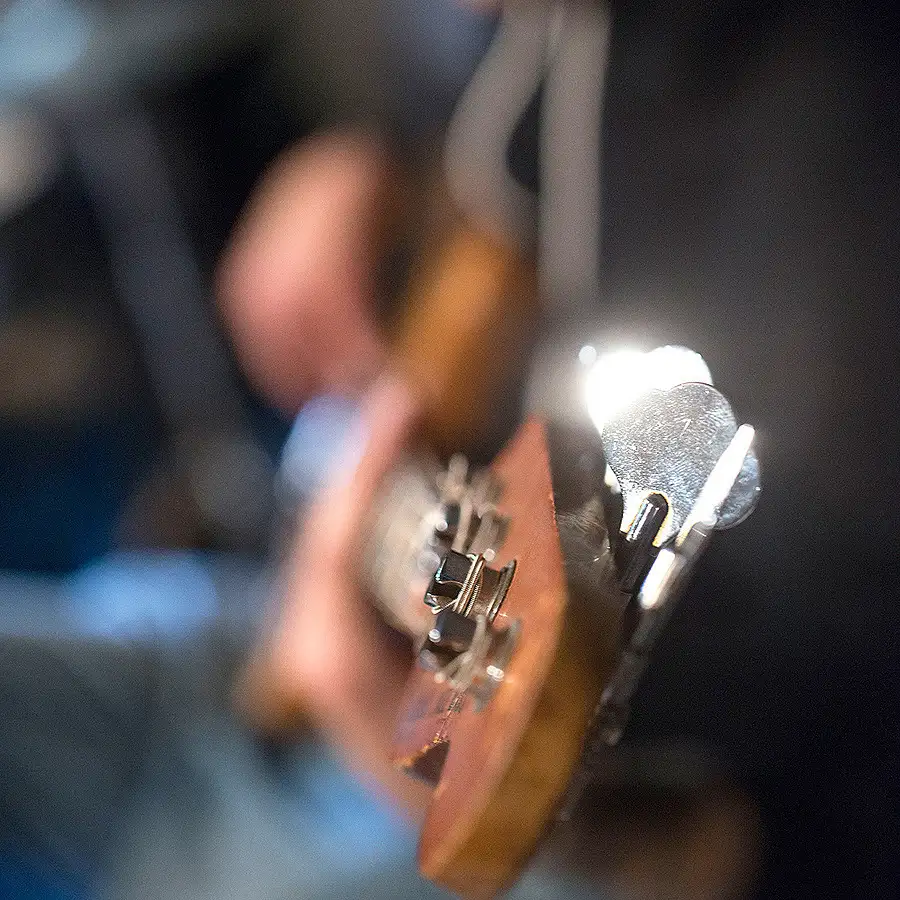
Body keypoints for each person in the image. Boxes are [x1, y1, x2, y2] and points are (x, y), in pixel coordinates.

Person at [220, 3, 900, 899]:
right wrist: (367, 159)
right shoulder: (577, 30)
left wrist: (529, 824)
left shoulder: (826, 194)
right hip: (287, 608)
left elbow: (788, 816)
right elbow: (509, 139)